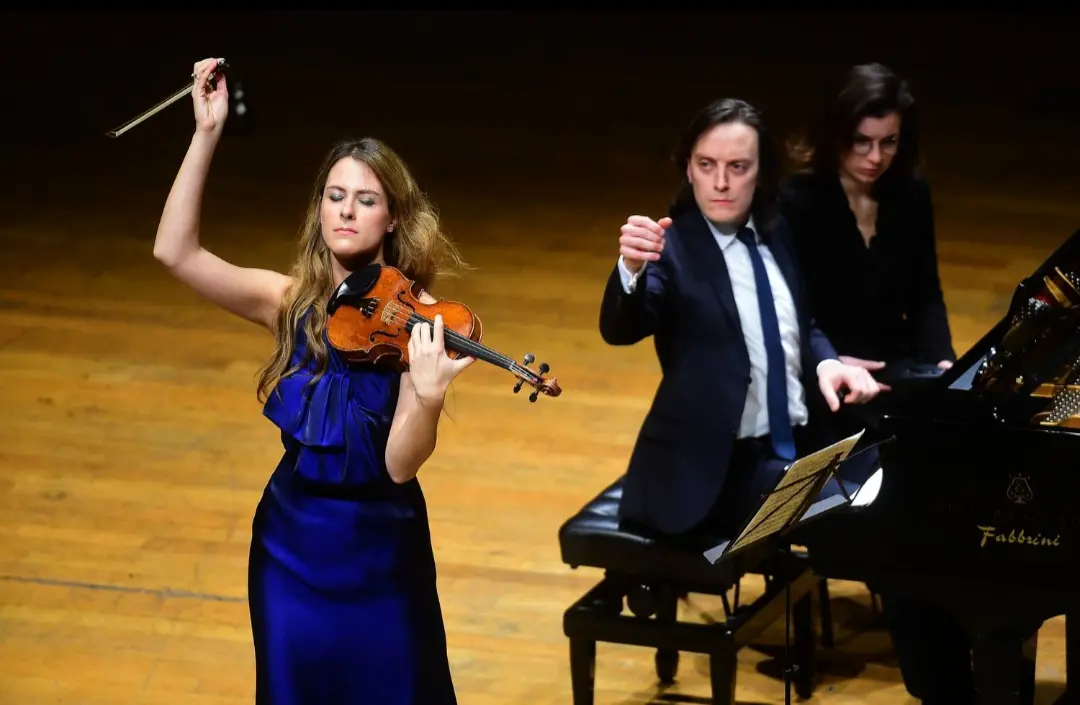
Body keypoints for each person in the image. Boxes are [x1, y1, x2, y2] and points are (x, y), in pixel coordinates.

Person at [153, 57, 472, 705]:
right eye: (335, 195)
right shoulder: (289, 302)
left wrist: (430, 397)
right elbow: (175, 251)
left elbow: (402, 465)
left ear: (392, 218)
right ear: (319, 209)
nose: (346, 210)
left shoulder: (418, 320)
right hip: (289, 549)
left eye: (366, 199)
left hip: (383, 555)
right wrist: (205, 134)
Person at [597, 96, 882, 542]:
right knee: (857, 513)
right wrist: (630, 270)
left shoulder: (776, 231)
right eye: (706, 165)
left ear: (761, 172)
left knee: (893, 468)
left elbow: (797, 325)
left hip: (793, 446)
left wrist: (828, 362)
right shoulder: (670, 251)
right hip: (715, 473)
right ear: (688, 168)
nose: (721, 183)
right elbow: (621, 329)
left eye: (738, 167)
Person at [778, 62, 967, 705]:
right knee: (900, 502)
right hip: (827, 388)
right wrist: (835, 362)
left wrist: (940, 364)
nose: (875, 156)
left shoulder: (910, 195)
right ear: (837, 135)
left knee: (951, 477)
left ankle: (955, 645)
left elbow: (929, 295)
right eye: (862, 142)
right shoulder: (798, 202)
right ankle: (937, 677)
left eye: (888, 142)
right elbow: (792, 316)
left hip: (898, 382)